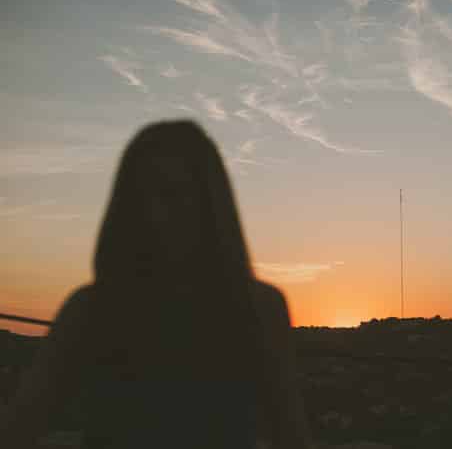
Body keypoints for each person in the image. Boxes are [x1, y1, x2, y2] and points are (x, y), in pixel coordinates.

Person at [0, 120, 314, 449]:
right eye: (150, 195)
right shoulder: (90, 309)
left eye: (182, 193)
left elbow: (290, 432)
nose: (164, 211)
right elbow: (23, 424)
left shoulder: (262, 308)